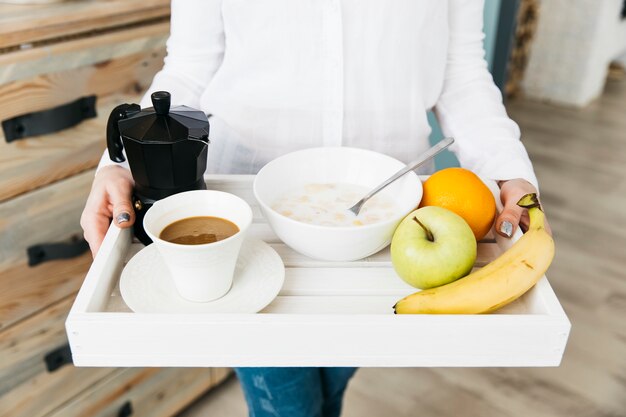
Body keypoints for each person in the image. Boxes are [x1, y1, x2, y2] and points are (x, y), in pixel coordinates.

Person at [81, 1, 548, 416]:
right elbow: (189, 68)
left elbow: (460, 71)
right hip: (247, 221)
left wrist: (507, 167)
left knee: (329, 385)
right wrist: (124, 160)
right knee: (288, 406)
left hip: (390, 224)